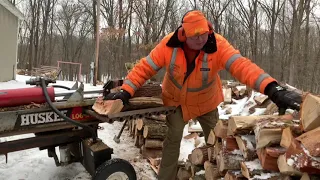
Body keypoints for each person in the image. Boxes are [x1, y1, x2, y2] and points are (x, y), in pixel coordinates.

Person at [104, 10, 302, 180]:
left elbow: (242, 66)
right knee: (172, 141)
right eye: (195, 35)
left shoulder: (218, 45)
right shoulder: (168, 45)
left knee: (216, 142)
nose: (201, 38)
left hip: (207, 103)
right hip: (176, 103)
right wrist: (125, 92)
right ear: (184, 35)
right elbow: (144, 68)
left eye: (204, 34)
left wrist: (271, 88)